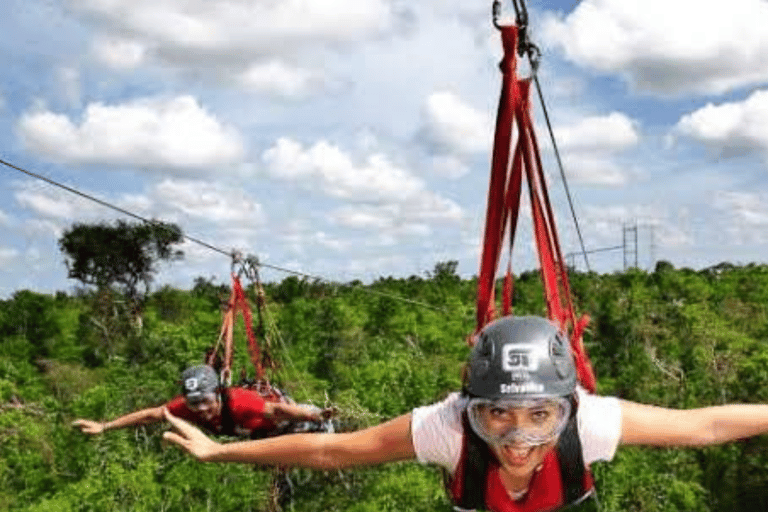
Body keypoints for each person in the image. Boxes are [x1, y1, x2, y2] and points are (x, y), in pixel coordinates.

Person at [162, 316, 768, 511]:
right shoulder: (446, 427)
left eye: (540, 416)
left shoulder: (591, 421)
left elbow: (703, 426)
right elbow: (330, 448)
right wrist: (222, 450)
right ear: (469, 408)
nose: (519, 438)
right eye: (497, 416)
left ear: (568, 406)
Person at [73, 364, 332, 439]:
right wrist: (105, 426)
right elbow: (151, 415)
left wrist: (315, 416)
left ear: (218, 393)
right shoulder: (185, 407)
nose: (201, 409)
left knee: (318, 426)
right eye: (194, 403)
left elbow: (276, 409)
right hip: (255, 433)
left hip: (278, 422)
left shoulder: (240, 402)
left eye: (206, 401)